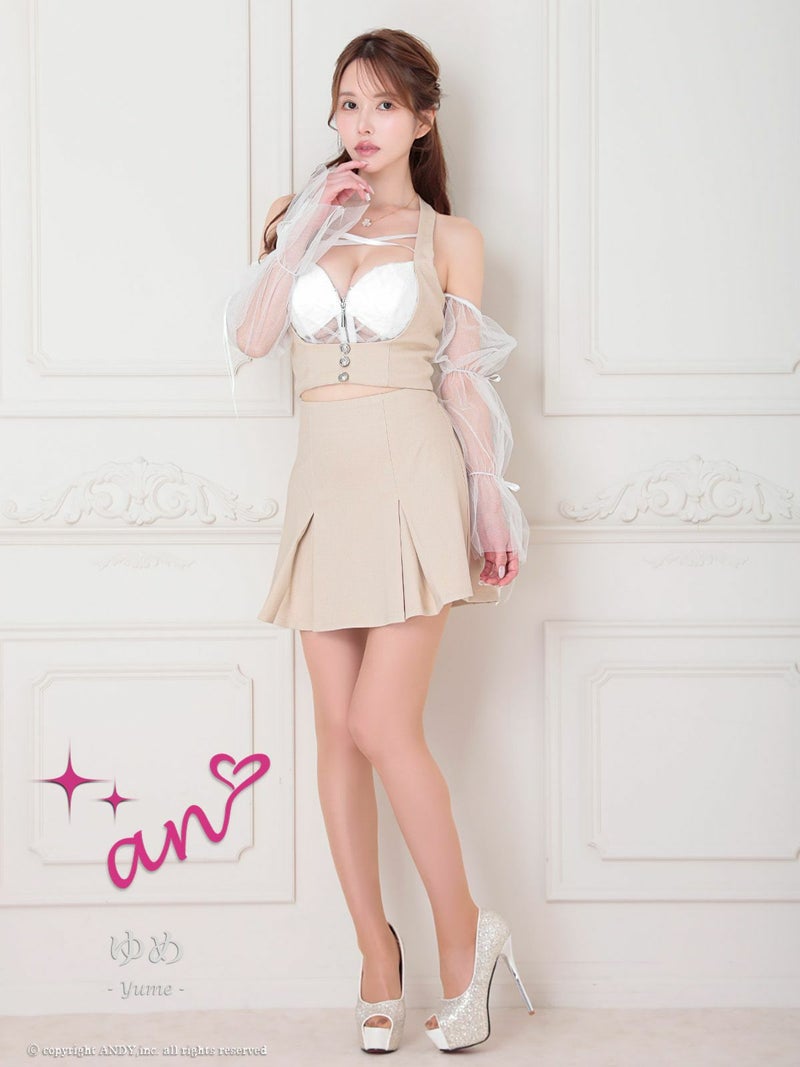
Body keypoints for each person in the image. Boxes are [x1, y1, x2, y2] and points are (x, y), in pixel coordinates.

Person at [223, 27, 534, 1054]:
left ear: (422, 120)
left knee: (381, 724)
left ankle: (466, 945)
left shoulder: (451, 238)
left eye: (385, 105)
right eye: (349, 103)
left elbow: (462, 378)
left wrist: (488, 497)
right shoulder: (299, 215)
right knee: (335, 733)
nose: (362, 124)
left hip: (412, 478)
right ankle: (375, 956)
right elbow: (253, 337)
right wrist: (306, 223)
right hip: (322, 485)